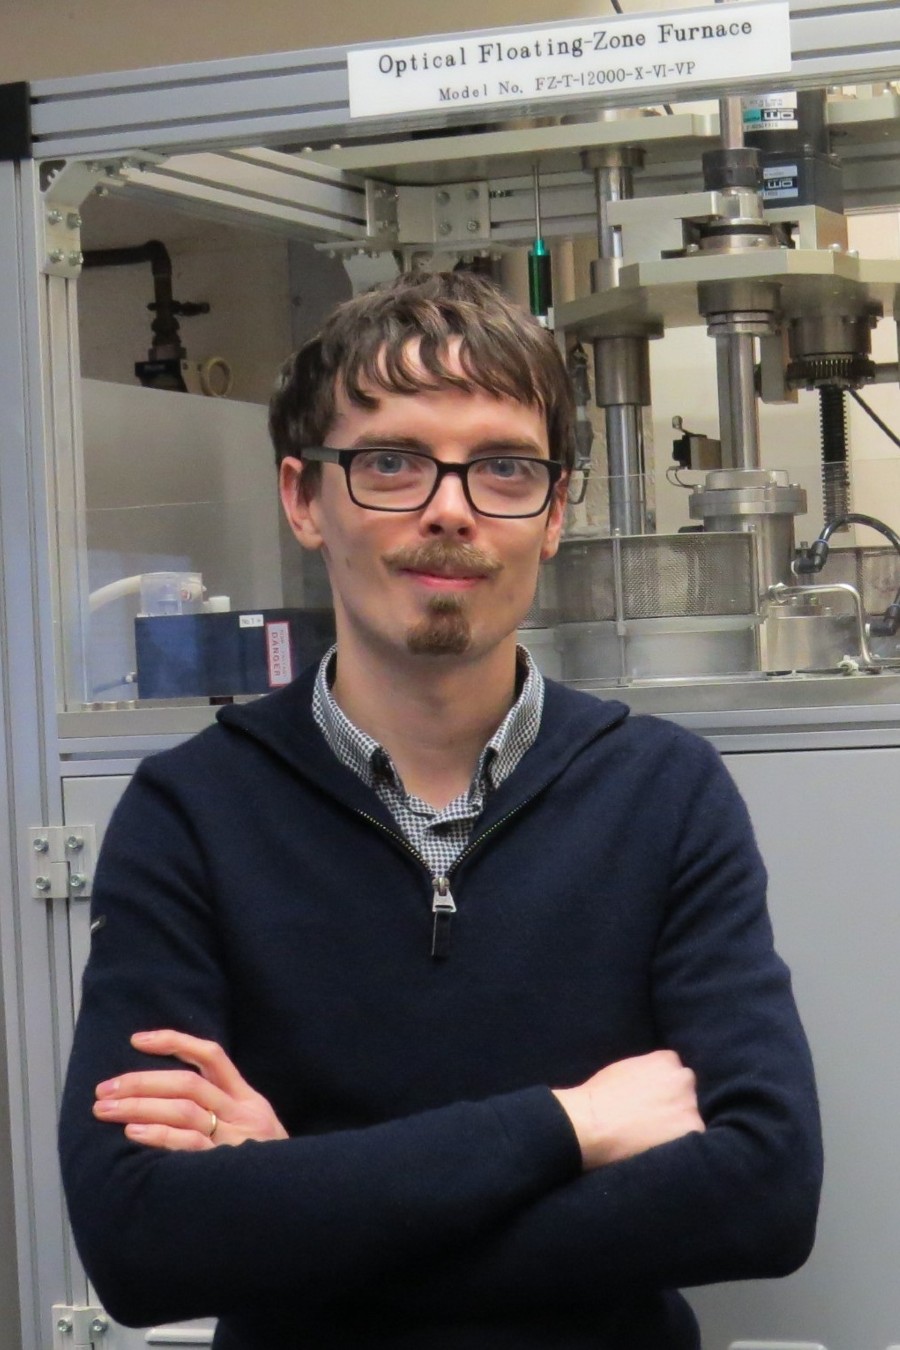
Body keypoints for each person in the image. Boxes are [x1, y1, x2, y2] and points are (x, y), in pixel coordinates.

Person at [59, 271, 822, 1350]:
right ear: (301, 496)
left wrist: (302, 1208)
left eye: (504, 467)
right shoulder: (191, 812)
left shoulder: (662, 792)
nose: (450, 508)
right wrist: (574, 1124)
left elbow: (766, 1193)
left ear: (554, 513)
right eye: (392, 462)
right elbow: (141, 1243)